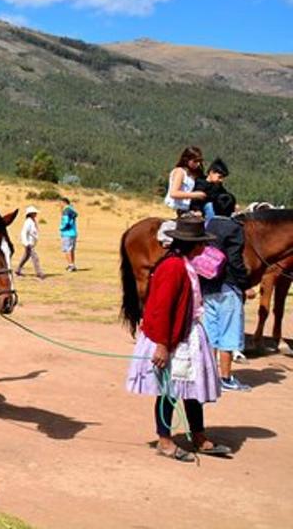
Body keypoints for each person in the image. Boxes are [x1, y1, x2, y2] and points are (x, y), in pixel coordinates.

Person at [125, 215, 230, 462]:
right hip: (171, 338)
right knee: (169, 390)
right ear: (191, 245)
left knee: (191, 388)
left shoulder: (185, 264)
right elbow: (161, 308)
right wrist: (162, 345)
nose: (205, 248)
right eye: (201, 244)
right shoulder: (172, 267)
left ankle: (199, 435)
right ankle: (164, 439)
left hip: (186, 333)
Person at [204, 191, 256, 391]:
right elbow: (235, 260)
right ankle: (225, 378)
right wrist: (246, 285)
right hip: (228, 286)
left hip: (208, 284)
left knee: (210, 332)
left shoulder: (208, 225)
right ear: (233, 208)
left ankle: (208, 375)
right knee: (229, 332)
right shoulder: (235, 229)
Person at [164, 146, 206, 217]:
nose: (198, 164)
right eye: (195, 161)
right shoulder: (180, 172)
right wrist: (195, 195)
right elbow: (174, 193)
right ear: (187, 160)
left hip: (187, 208)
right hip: (176, 207)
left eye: (199, 161)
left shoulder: (193, 174)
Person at [195, 158, 229, 223]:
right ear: (211, 172)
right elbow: (195, 200)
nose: (221, 180)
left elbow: (224, 195)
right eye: (220, 177)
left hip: (215, 210)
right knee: (210, 206)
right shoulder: (200, 184)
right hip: (203, 210)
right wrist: (197, 210)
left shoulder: (218, 185)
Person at [15, 205, 44, 279]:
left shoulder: (32, 221)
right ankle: (39, 273)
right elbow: (24, 232)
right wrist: (26, 243)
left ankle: (17, 270)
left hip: (31, 243)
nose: (36, 214)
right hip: (29, 243)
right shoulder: (28, 222)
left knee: (25, 257)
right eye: (34, 213)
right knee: (35, 258)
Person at [59, 197, 78, 272]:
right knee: (71, 250)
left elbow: (66, 221)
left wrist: (61, 228)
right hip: (73, 232)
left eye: (60, 203)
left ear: (64, 202)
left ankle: (71, 265)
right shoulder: (72, 210)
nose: (60, 205)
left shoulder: (66, 210)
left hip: (67, 233)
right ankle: (72, 264)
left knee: (67, 250)